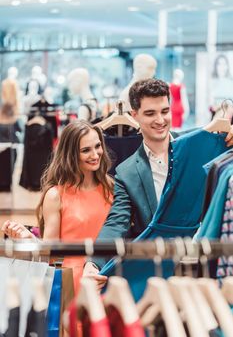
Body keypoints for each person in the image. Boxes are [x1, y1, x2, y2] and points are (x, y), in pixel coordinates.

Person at [83, 78, 233, 285]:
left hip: (209, 264)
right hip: (159, 272)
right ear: (134, 115)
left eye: (164, 111)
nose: (160, 120)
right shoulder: (126, 172)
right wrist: (94, 263)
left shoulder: (200, 147)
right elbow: (116, 222)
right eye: (150, 113)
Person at [2, 119, 113, 293]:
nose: (95, 154)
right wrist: (29, 239)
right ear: (71, 154)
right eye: (86, 150)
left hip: (109, 274)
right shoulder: (56, 195)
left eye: (97, 146)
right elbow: (50, 252)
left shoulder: (110, 188)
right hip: (73, 280)